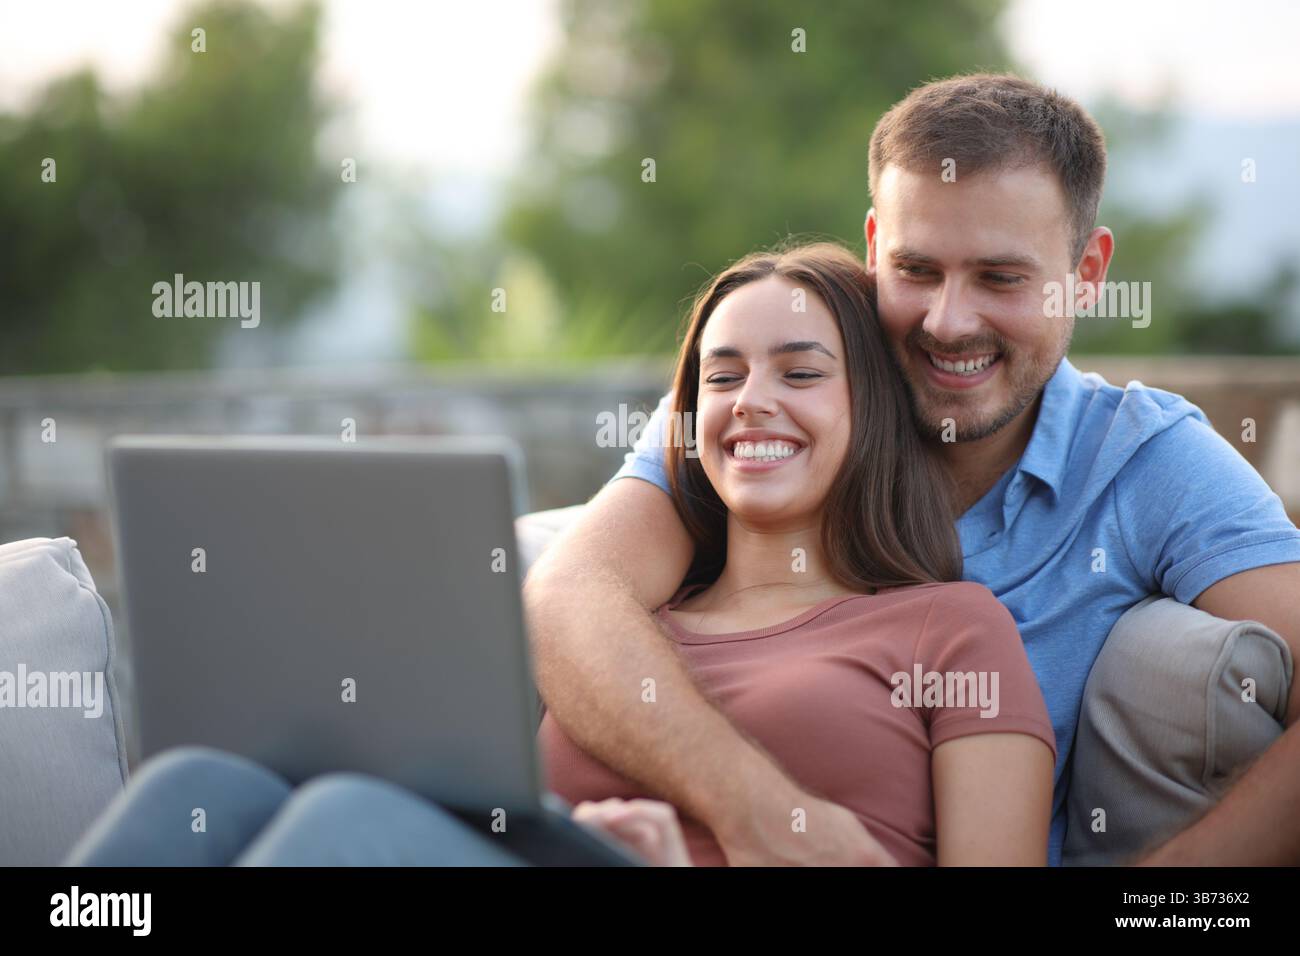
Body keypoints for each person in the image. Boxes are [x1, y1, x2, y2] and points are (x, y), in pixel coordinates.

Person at [522, 73, 1300, 867]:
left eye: (1000, 278)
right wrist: (752, 810)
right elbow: (569, 595)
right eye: (917, 270)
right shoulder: (776, 404)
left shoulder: (1146, 459)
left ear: (1088, 274)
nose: (949, 321)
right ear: (872, 249)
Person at [68, 242, 1055, 867]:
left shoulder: (952, 628)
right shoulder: (621, 633)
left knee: (343, 819)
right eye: (721, 376)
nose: (751, 399)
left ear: (871, 410)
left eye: (799, 371)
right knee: (197, 785)